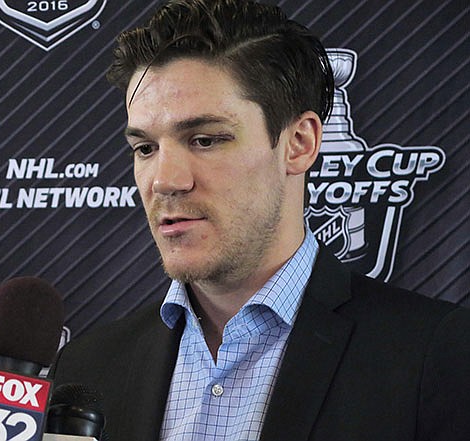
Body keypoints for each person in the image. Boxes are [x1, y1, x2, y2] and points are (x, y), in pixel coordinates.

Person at [49, 1, 470, 440]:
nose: (164, 181)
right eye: (145, 149)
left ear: (299, 143)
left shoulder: (435, 355)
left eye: (206, 139)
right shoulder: (84, 370)